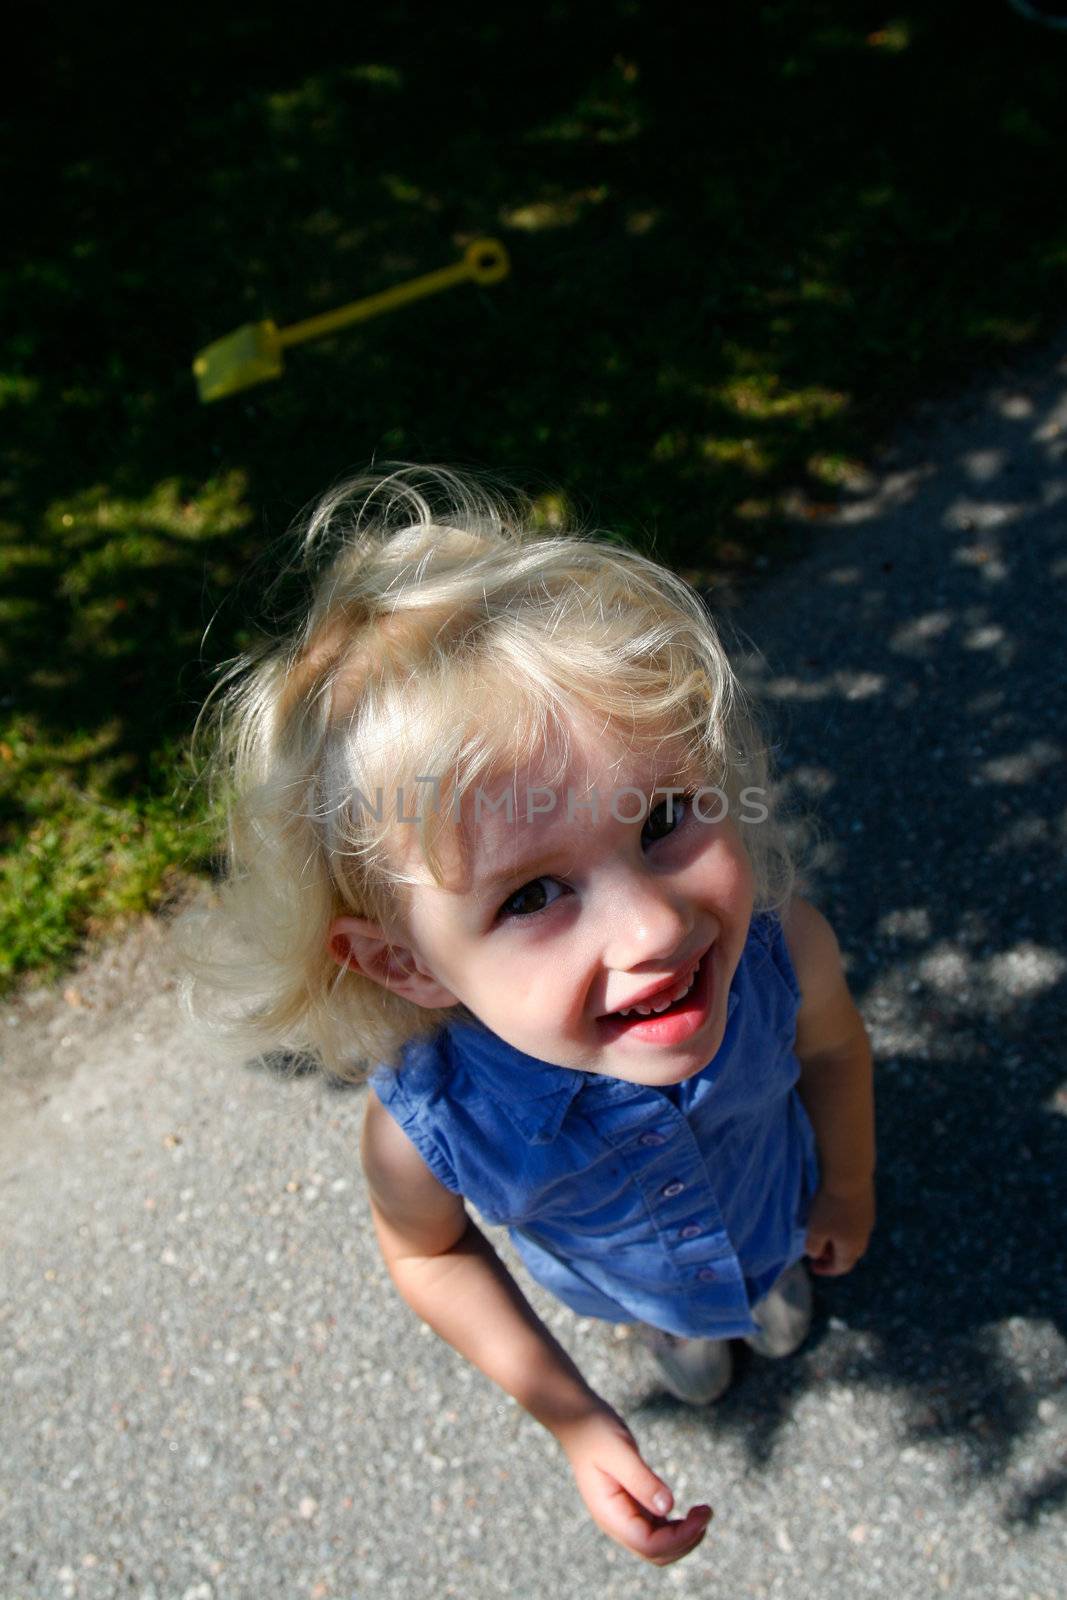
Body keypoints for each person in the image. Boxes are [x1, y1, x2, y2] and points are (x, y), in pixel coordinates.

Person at [191, 465, 876, 1567]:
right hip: (626, 1285)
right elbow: (428, 1254)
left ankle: (775, 1293)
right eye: (530, 894)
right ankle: (675, 1337)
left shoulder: (779, 952)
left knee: (785, 1284)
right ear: (402, 960)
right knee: (681, 1345)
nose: (652, 925)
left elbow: (835, 1050)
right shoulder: (432, 1125)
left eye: (663, 816)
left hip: (779, 1205)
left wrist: (845, 1184)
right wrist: (568, 1410)